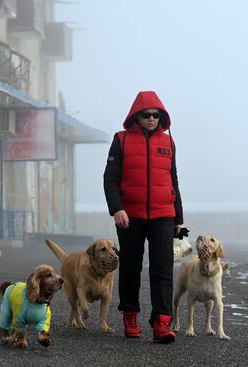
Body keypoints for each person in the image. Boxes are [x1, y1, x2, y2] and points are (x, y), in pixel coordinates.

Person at [103, 90, 184, 344]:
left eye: (156, 115)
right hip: (130, 215)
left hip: (163, 215)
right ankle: (130, 315)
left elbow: (174, 181)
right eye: (146, 115)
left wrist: (178, 218)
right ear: (135, 116)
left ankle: (162, 323)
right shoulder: (121, 140)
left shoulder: (168, 143)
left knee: (163, 270)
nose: (152, 119)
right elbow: (110, 179)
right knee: (130, 268)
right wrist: (117, 208)